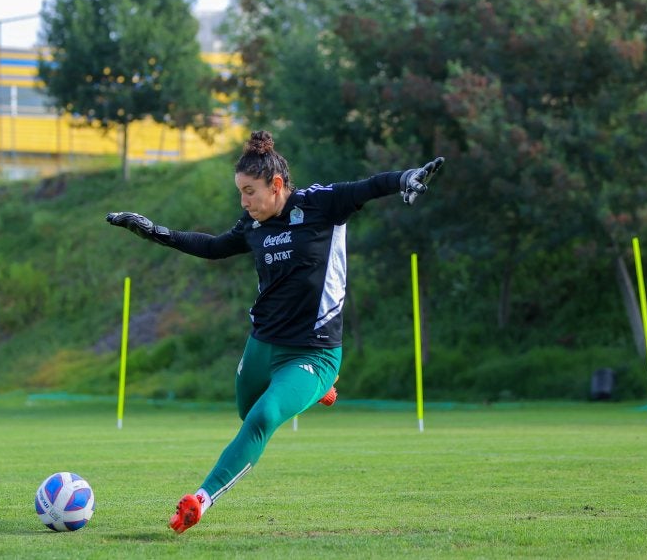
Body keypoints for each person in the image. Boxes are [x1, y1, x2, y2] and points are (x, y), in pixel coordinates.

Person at [105, 130, 443, 534]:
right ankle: (316, 390)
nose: (244, 202)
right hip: (263, 343)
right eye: (240, 193)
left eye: (249, 192)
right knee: (248, 414)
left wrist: (406, 178)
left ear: (276, 185)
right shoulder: (253, 224)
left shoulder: (320, 203)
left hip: (314, 352)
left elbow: (369, 186)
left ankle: (200, 500)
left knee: (264, 417)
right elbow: (213, 247)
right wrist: (154, 231)